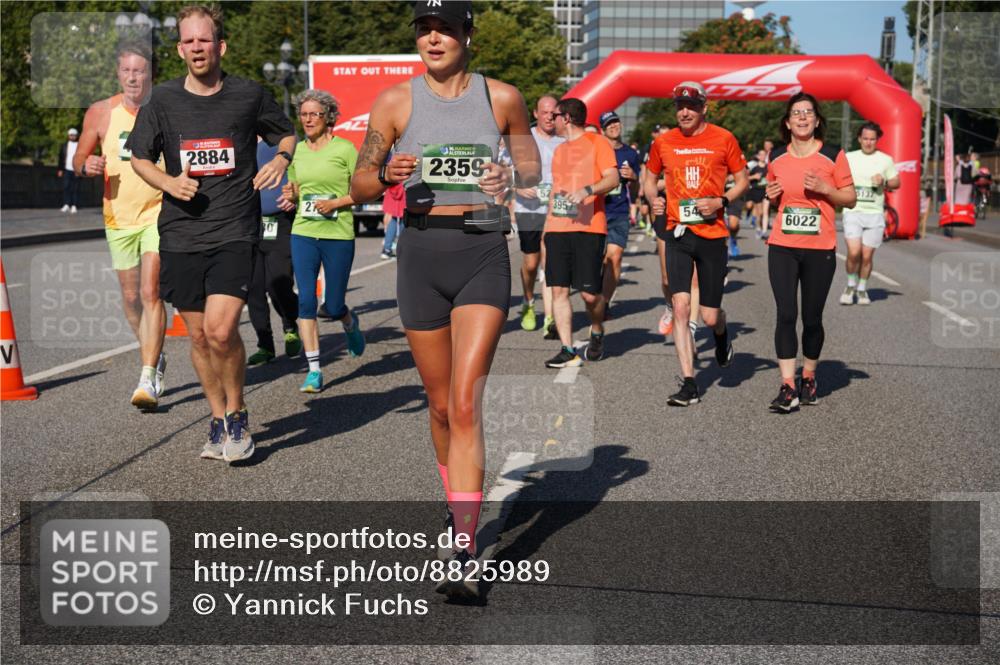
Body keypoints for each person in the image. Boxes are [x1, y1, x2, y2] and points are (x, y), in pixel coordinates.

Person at [349, 0, 540, 600]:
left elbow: (532, 169)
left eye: (445, 29)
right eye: (425, 30)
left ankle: (463, 546)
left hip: (483, 248)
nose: (434, 39)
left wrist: (511, 179)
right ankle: (453, 500)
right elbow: (358, 182)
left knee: (464, 402)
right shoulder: (395, 102)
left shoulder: (501, 97)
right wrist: (386, 174)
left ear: (467, 36)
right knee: (437, 406)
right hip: (421, 257)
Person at [128, 4, 296, 462]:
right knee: (198, 337)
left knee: (222, 332)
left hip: (235, 230)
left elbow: (285, 134)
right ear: (180, 49)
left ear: (219, 46)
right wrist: (168, 182)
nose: (197, 48)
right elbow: (140, 157)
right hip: (181, 234)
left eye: (205, 40)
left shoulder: (248, 95)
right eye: (189, 41)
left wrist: (281, 159)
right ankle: (217, 418)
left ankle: (238, 413)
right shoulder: (161, 100)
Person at [73, 41, 167, 409]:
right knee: (130, 298)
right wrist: (86, 166)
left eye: (139, 70)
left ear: (150, 75)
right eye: (127, 70)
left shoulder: (163, 108)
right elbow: (80, 157)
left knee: (150, 292)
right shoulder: (100, 112)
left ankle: (147, 374)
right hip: (118, 215)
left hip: (158, 210)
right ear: (118, 73)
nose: (133, 77)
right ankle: (154, 353)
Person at [643, 81, 748, 406]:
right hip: (678, 233)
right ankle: (689, 382)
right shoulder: (664, 141)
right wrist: (653, 200)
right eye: (679, 105)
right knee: (680, 307)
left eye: (691, 105)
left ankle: (721, 335)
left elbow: (743, 180)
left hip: (713, 236)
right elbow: (649, 179)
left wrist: (722, 201)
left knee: (710, 316)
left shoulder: (724, 138)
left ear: (704, 107)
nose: (684, 111)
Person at [765, 92, 855, 412]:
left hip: (820, 247)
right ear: (788, 123)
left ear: (816, 121)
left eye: (808, 112)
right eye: (796, 113)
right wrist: (772, 196)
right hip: (782, 246)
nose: (802, 117)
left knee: (812, 318)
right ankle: (788, 385)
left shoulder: (833, 155)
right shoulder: (776, 157)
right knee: (786, 314)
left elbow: (850, 198)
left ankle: (809, 376)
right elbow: (776, 197)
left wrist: (826, 190)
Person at [278, 89, 365, 394]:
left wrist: (337, 203)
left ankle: (349, 322)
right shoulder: (297, 152)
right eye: (304, 114)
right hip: (303, 231)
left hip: (337, 233)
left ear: (329, 117)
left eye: (315, 114)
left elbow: (363, 191)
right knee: (305, 300)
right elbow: (295, 189)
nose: (308, 120)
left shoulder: (345, 149)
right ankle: (314, 370)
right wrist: (291, 196)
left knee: (333, 304)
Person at [542, 98, 619, 367]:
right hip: (557, 227)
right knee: (559, 291)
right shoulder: (560, 150)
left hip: (589, 228)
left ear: (567, 118)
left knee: (588, 295)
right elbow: (556, 189)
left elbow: (613, 178)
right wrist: (546, 228)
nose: (552, 120)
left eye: (556, 115)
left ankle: (597, 328)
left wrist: (587, 191)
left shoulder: (598, 143)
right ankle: (567, 348)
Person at [246, 137, 301, 365]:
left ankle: (290, 323)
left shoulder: (283, 142)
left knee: (278, 282)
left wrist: (296, 194)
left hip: (279, 221)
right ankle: (265, 345)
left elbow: (304, 173)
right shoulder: (238, 139)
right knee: (254, 288)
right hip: (247, 223)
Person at [512, 95, 563, 332]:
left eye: (553, 113)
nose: (549, 117)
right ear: (535, 114)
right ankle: (528, 302)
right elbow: (503, 171)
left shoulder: (564, 140)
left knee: (551, 261)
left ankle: (551, 318)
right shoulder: (524, 139)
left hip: (556, 210)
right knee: (531, 263)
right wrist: (518, 187)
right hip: (528, 209)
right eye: (545, 113)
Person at [840, 122, 900, 306]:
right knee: (854, 252)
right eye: (865, 138)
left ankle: (862, 288)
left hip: (874, 213)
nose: (868, 142)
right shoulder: (848, 157)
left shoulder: (885, 160)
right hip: (853, 211)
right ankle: (850, 285)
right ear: (859, 139)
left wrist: (884, 182)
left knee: (867, 256)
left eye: (872, 139)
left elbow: (896, 182)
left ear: (877, 140)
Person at [599, 111, 640, 317]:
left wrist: (633, 178)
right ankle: (597, 289)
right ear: (603, 130)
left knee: (614, 258)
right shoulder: (595, 150)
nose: (614, 126)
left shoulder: (631, 155)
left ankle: (604, 303)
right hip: (596, 212)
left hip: (619, 211)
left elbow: (635, 192)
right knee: (598, 260)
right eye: (609, 124)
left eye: (616, 122)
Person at [57, 128, 81, 213]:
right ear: (68, 136)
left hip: (76, 170)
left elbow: (82, 158)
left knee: (75, 188)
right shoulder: (64, 145)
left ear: (76, 136)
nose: (72, 136)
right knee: (66, 187)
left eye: (74, 135)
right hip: (66, 169)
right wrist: (60, 169)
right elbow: (60, 158)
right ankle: (66, 204)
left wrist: (80, 169)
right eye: (71, 135)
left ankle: (74, 205)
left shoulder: (79, 145)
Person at [747, 148, 768, 240]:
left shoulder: (769, 167)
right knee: (760, 213)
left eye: (764, 155)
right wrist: (754, 176)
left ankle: (764, 231)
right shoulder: (755, 168)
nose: (763, 156)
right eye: (761, 155)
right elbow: (746, 178)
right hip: (756, 191)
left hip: (766, 191)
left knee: (765, 211)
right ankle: (759, 228)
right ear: (758, 156)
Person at [381, 180, 405, 259]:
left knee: (392, 222)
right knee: (404, 223)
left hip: (391, 197)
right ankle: (402, 250)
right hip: (403, 197)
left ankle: (387, 249)